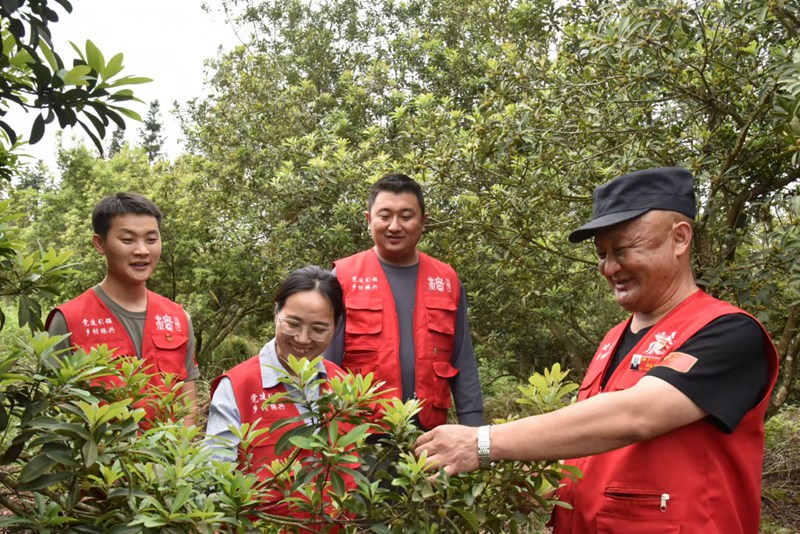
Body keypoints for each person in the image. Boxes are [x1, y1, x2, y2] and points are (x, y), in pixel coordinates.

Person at [413, 167, 778, 533]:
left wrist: (483, 442)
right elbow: (595, 444)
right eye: (601, 254)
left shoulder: (729, 332)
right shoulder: (612, 340)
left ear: (679, 238)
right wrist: (529, 477)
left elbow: (637, 414)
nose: (609, 267)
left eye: (623, 249)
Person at [324, 173, 483, 430]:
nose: (395, 226)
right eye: (385, 216)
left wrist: (474, 430)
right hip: (360, 433)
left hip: (429, 434)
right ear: (369, 219)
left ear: (423, 222)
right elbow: (326, 362)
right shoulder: (343, 277)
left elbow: (463, 359)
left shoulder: (446, 280)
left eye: (406, 217)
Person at [206, 266, 355, 531]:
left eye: (319, 328)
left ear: (335, 327)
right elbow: (214, 480)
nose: (303, 339)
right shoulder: (238, 386)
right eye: (293, 324)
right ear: (276, 313)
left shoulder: (344, 385)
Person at [46, 192, 199, 425]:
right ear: (100, 244)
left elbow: (188, 406)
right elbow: (54, 412)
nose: (142, 250)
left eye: (151, 239)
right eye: (128, 240)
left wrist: (181, 445)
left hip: (170, 449)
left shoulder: (177, 318)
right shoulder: (69, 319)